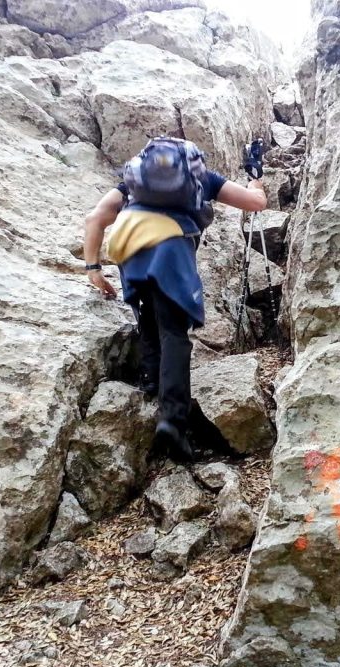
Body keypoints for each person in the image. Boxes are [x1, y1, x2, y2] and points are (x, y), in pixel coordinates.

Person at [82, 138, 267, 461]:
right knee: (175, 335)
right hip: (169, 246)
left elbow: (95, 218)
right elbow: (255, 204)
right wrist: (256, 179)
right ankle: (173, 423)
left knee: (149, 314)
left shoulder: (132, 184)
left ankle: (151, 383)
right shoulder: (203, 179)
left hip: (128, 246)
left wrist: (93, 267)